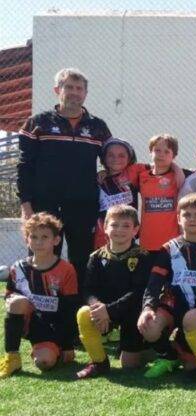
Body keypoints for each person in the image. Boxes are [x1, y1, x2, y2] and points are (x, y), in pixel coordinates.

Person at [17, 68, 112, 286]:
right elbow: (24, 167)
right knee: (43, 257)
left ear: (85, 93)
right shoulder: (36, 123)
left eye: (79, 89)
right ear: (57, 90)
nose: (74, 92)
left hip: (84, 204)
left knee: (83, 259)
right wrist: (26, 206)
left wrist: (106, 170)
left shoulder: (98, 127)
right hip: (44, 204)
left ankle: (78, 304)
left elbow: (116, 158)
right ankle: (39, 303)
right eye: (69, 87)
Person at [137, 193, 196, 380]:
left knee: (191, 366)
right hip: (173, 306)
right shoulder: (169, 248)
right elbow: (154, 283)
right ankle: (168, 356)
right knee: (148, 326)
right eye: (187, 215)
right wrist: (147, 308)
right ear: (178, 218)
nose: (192, 219)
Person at [76, 205, 152, 378]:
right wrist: (97, 306)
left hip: (132, 312)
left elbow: (138, 292)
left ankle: (147, 348)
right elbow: (88, 289)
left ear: (135, 230)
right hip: (104, 312)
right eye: (114, 225)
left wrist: (108, 310)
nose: (119, 230)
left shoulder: (142, 256)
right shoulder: (96, 257)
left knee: (129, 365)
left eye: (126, 226)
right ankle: (99, 362)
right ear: (105, 227)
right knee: (84, 313)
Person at [0, 213, 80, 378]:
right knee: (16, 301)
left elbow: (69, 308)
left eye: (44, 237)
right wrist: (13, 301)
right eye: (34, 237)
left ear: (56, 240)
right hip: (29, 323)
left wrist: (67, 344)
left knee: (44, 362)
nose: (38, 242)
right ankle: (12, 357)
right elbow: (9, 297)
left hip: (53, 326)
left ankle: (50, 348)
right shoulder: (18, 268)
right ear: (27, 240)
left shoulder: (66, 269)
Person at [138, 134, 188, 252]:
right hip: (147, 241)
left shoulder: (181, 176)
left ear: (174, 156)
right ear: (150, 152)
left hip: (173, 243)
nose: (161, 154)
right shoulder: (141, 176)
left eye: (167, 152)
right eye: (157, 150)